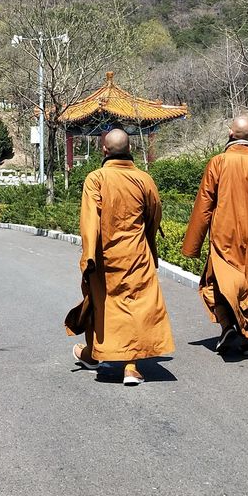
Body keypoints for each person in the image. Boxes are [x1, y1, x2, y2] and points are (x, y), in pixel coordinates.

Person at [65, 128, 174, 385]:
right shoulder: (144, 179)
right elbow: (153, 216)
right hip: (137, 255)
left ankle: (94, 353)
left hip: (106, 256)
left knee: (101, 306)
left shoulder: (96, 178)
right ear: (131, 149)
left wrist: (89, 256)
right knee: (136, 308)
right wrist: (146, 242)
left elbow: (90, 219)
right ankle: (131, 367)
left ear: (104, 150)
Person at [181, 116, 248, 357]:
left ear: (230, 134)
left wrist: (192, 246)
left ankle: (228, 326)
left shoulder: (217, 163)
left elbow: (204, 205)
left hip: (223, 235)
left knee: (218, 283)